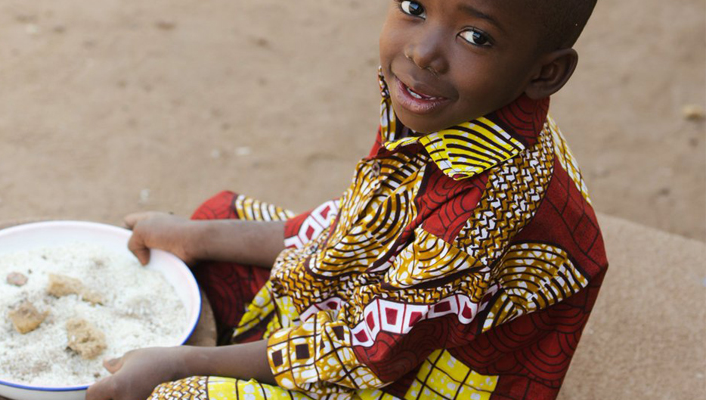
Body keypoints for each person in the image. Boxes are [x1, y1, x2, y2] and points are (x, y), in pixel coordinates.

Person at [87, 0, 607, 399]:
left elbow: (362, 353)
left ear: (546, 73)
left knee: (173, 394)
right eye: (414, 8)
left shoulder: (484, 212)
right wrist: (195, 236)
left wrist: (179, 365)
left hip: (413, 373)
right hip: (395, 302)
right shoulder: (453, 110)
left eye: (476, 36)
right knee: (215, 221)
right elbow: (363, 225)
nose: (422, 51)